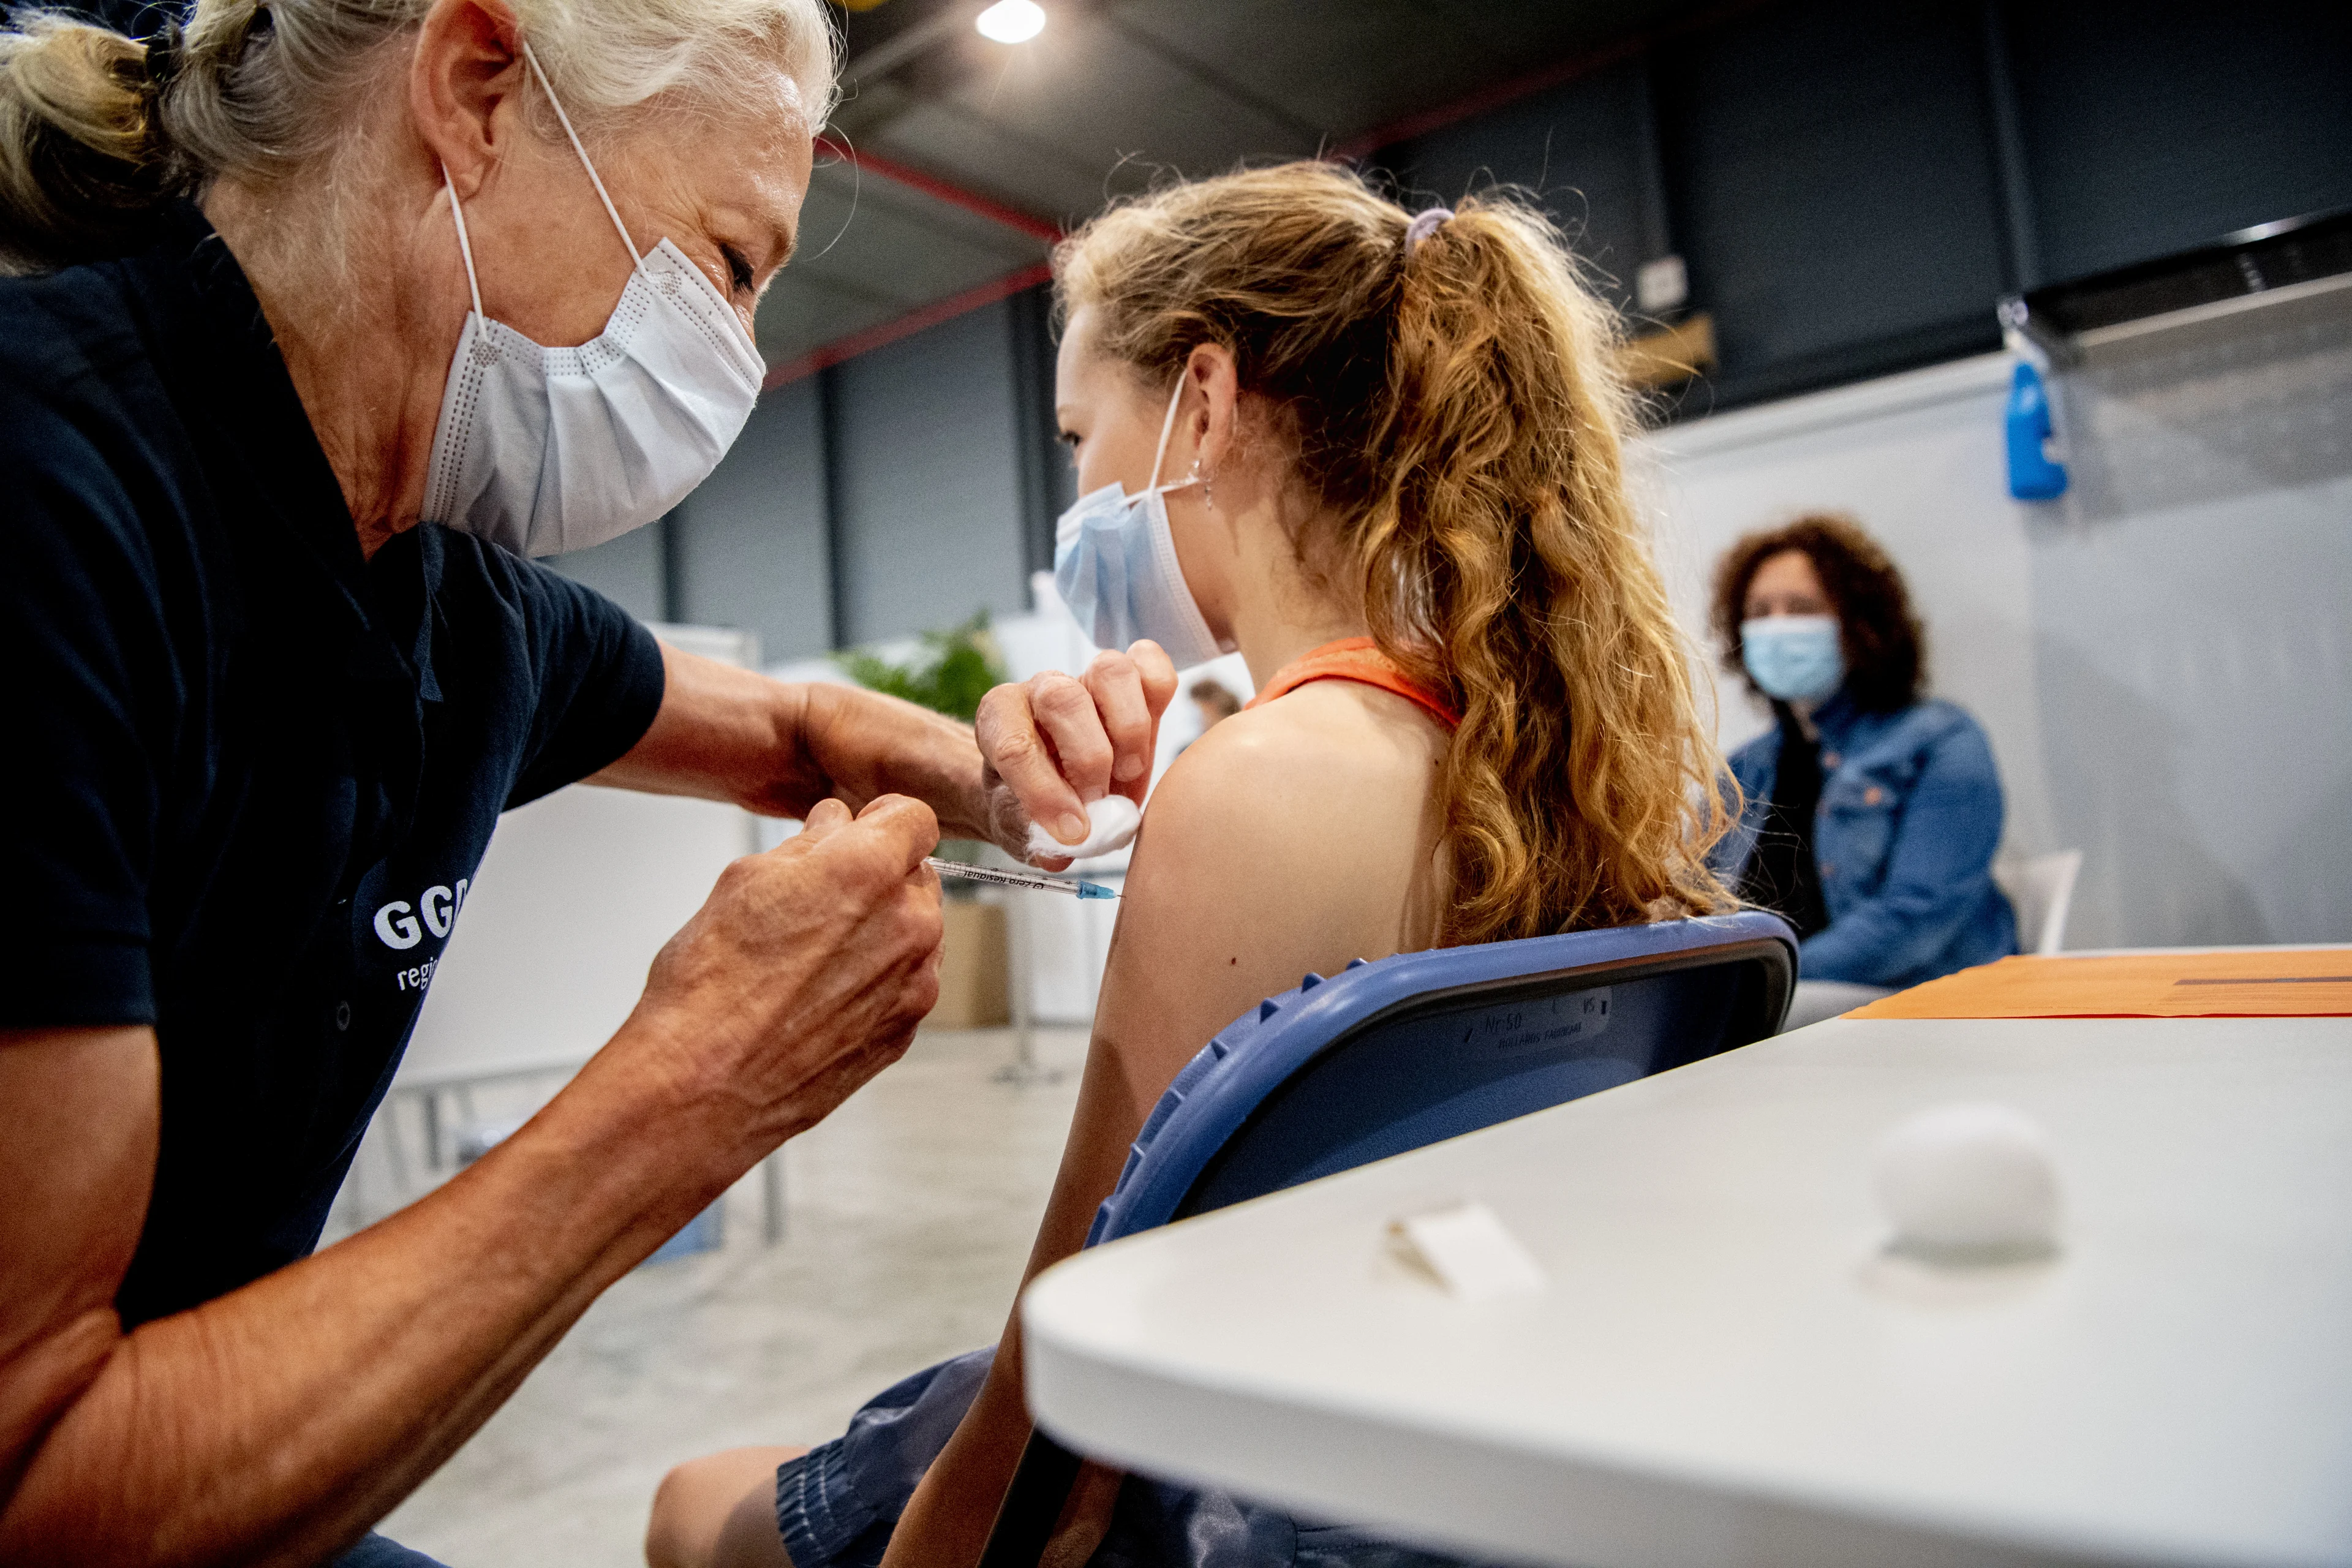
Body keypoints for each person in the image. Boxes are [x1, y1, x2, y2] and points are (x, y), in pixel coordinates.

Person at [0, 0, 1170, 1561]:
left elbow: (788, 729)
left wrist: (1010, 775)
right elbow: (35, 1482)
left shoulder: (439, 585)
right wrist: (694, 1084)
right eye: (730, 267)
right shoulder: (52, 504)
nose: (737, 366)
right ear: (476, 91)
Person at [647, 165, 1736, 1568]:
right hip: (1437, 1456)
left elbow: (1069, 1395)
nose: (1078, 490)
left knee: (689, 1504)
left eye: (1076, 431)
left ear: (1204, 405)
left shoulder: (1258, 784)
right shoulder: (1557, 766)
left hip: (1234, 1476)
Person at [1708, 514, 2015, 1020]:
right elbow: (1695, 906)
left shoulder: (1941, 741)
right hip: (1772, 1012)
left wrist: (1764, 979)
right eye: (1759, 613)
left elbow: (1915, 920)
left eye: (1802, 608)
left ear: (1862, 623)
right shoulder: (1744, 768)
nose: (1777, 628)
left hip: (1914, 1011)